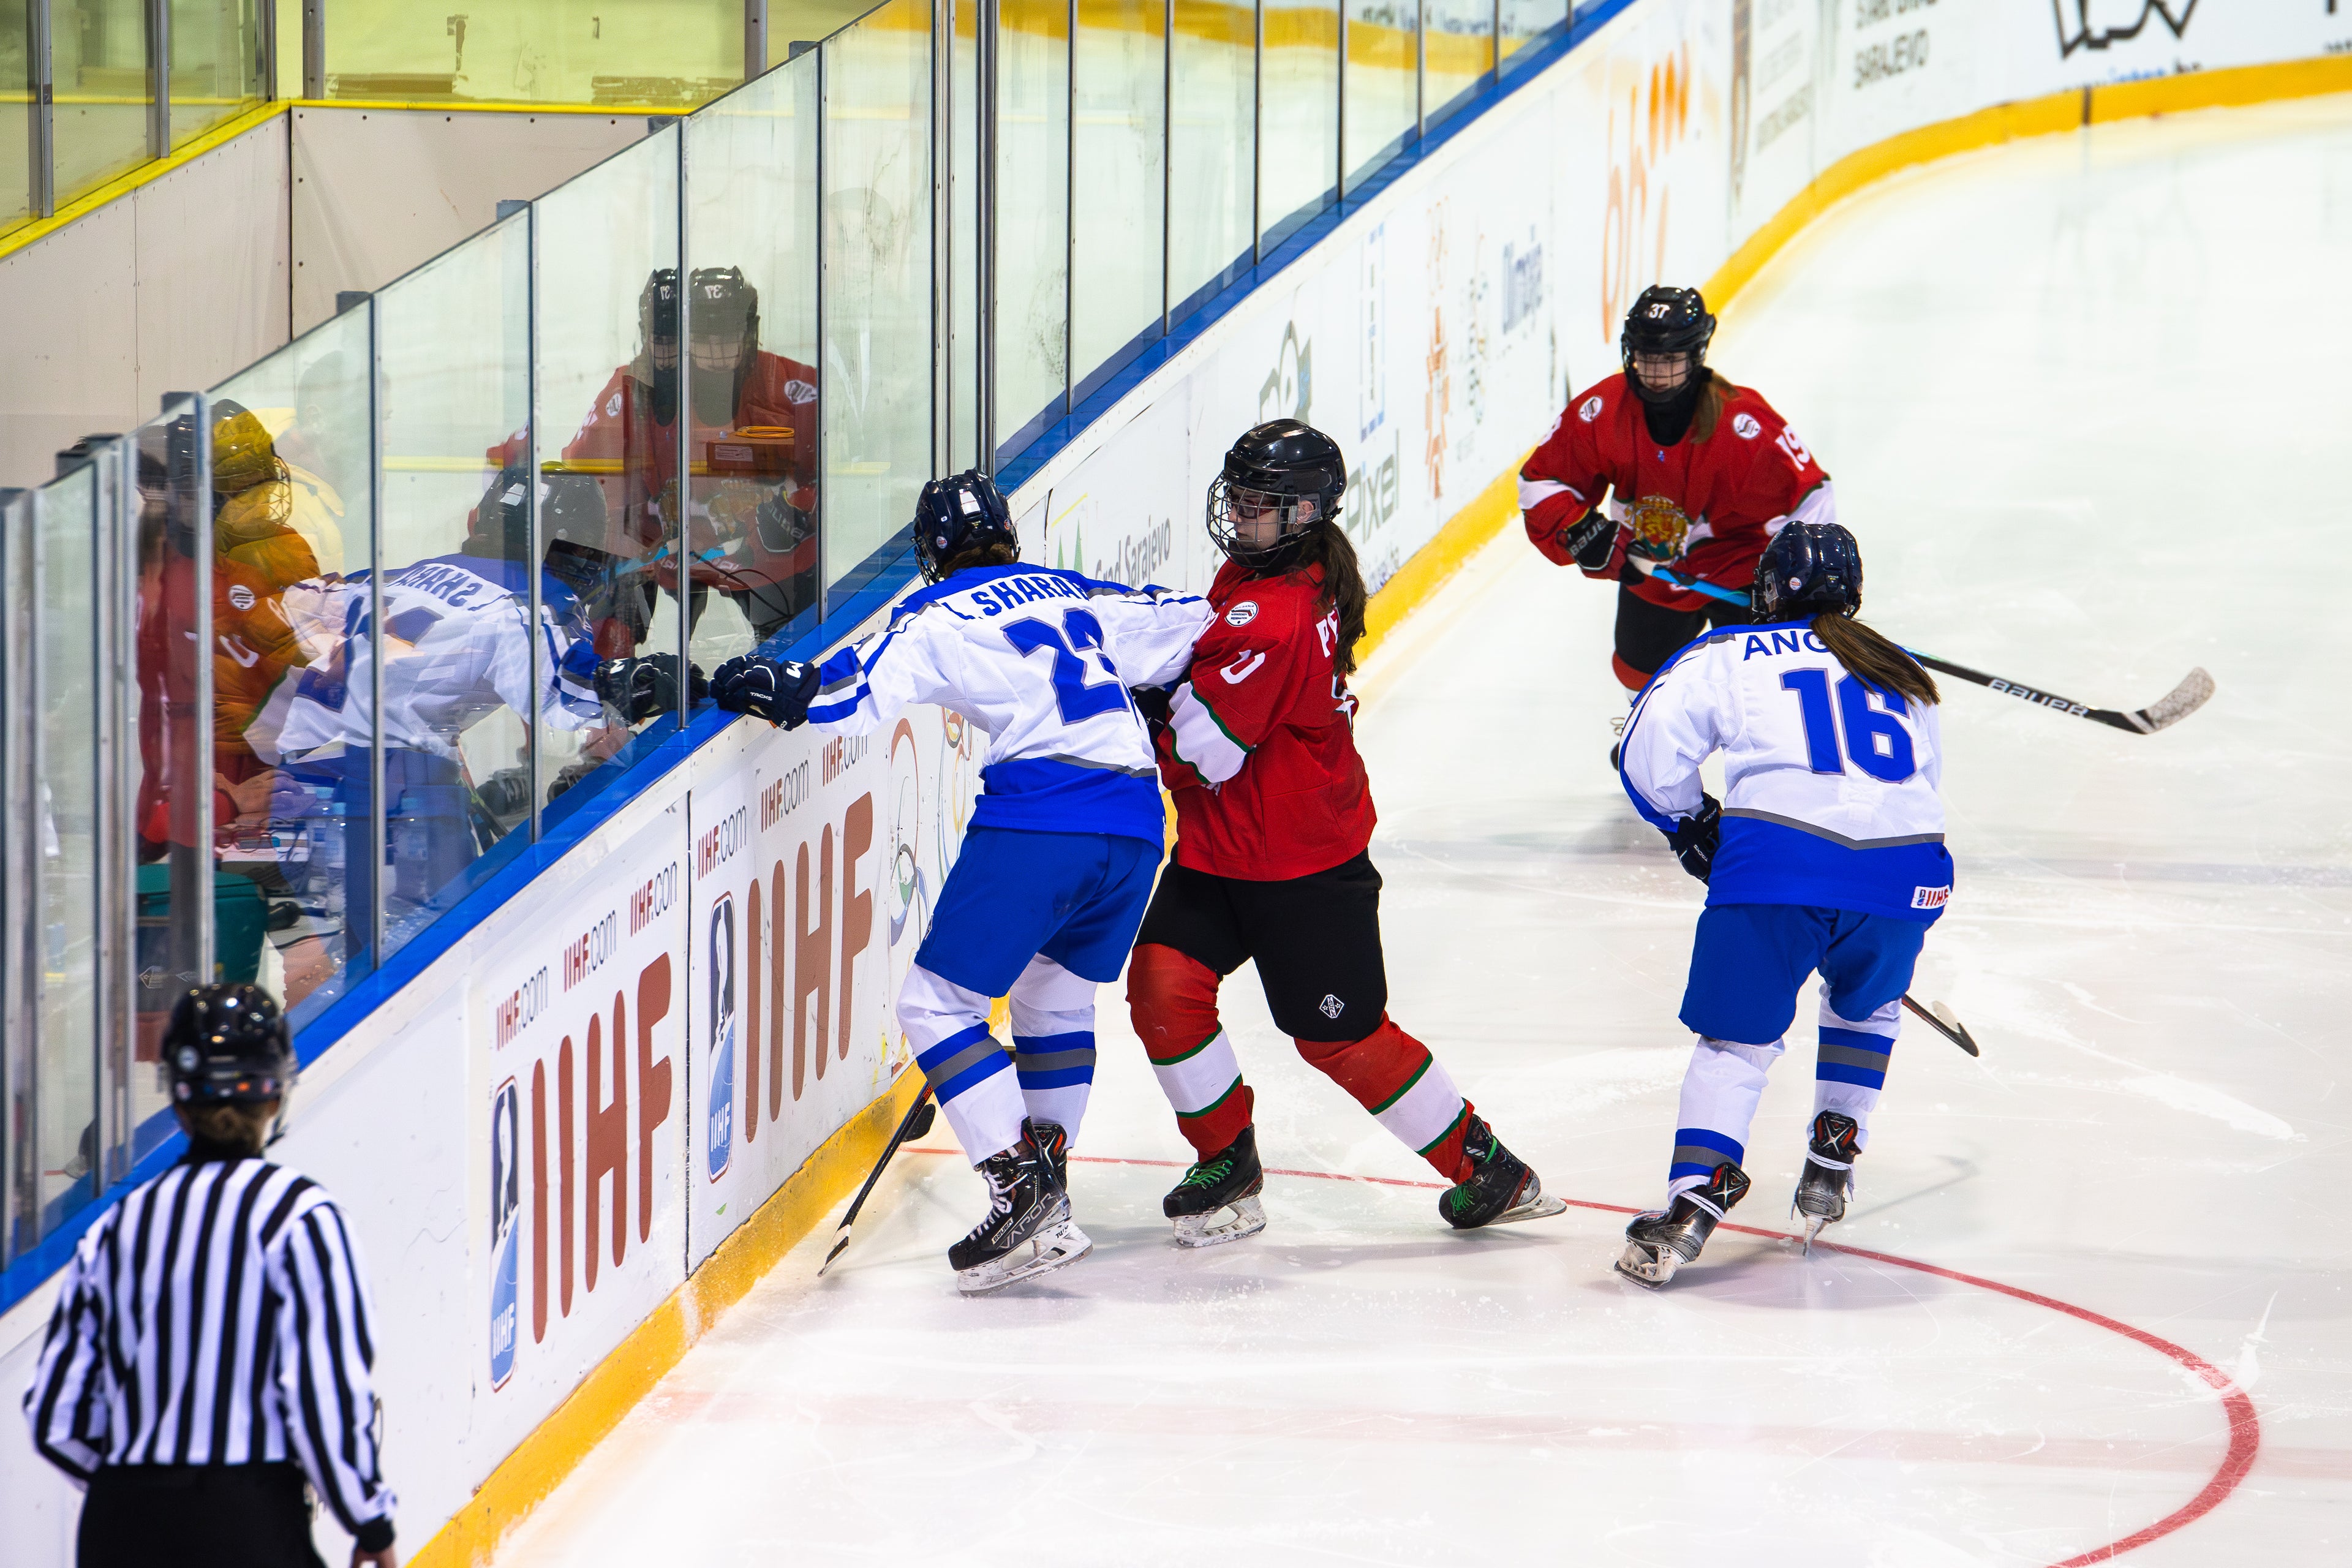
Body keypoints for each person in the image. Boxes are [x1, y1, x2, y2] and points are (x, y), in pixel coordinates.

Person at [710, 471, 1212, 1294]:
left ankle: (1020, 1188)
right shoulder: (1073, 590)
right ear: (1009, 536)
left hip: (1044, 819)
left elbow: (850, 694)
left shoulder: (936, 613)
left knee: (935, 1004)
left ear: (930, 553)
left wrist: (776, 685)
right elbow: (1188, 621)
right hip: (1135, 818)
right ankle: (1045, 1179)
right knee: (1055, 998)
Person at [1125, 420, 1564, 1245]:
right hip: (1226, 852)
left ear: (1303, 514)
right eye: (1242, 496)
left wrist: (1138, 706)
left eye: (1263, 502)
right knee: (1161, 990)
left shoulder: (1277, 614)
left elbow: (1201, 754)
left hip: (1304, 868)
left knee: (1342, 1040)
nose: (1241, 514)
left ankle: (1489, 1170)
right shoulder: (1296, 570)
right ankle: (1227, 1161)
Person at [1611, 521, 1951, 1287]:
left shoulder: (1726, 653)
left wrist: (1691, 825)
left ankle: (1697, 1198)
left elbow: (1645, 751)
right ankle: (1835, 1152)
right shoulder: (1905, 671)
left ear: (1768, 590)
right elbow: (1922, 790)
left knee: (1737, 1041)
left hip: (1780, 864)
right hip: (1908, 874)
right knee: (1868, 1004)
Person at [23, 984, 399, 1567]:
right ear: (274, 1096)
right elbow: (324, 1399)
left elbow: (56, 1417)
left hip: (119, 1528)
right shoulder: (301, 1219)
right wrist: (369, 1522)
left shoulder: (118, 1227)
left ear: (177, 1100)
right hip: (245, 1525)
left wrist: (138, 1481)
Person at [270, 469, 700, 952]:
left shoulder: (402, 573)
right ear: (569, 548)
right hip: (380, 800)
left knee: (338, 973)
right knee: (431, 969)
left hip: (287, 786)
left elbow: (298, 619)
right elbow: (568, 701)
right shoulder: (534, 599)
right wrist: (656, 683)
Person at [1518, 285, 1835, 758]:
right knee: (1638, 667)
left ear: (1697, 354)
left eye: (1671, 359)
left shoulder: (1743, 424)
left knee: (1766, 677)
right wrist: (1582, 531)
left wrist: (1803, 586)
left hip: (1742, 571)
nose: (1657, 373)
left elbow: (1812, 497)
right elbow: (1542, 480)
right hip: (1653, 568)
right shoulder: (1602, 411)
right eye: (1647, 358)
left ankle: (1778, 749)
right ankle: (1646, 728)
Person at [499, 267, 821, 646]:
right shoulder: (632, 387)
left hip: (761, 560)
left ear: (751, 332)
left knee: (798, 655)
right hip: (663, 552)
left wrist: (795, 510)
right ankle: (612, 692)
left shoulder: (795, 385)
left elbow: (826, 472)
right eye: (703, 339)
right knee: (613, 638)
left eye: (728, 337)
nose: (716, 354)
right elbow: (582, 475)